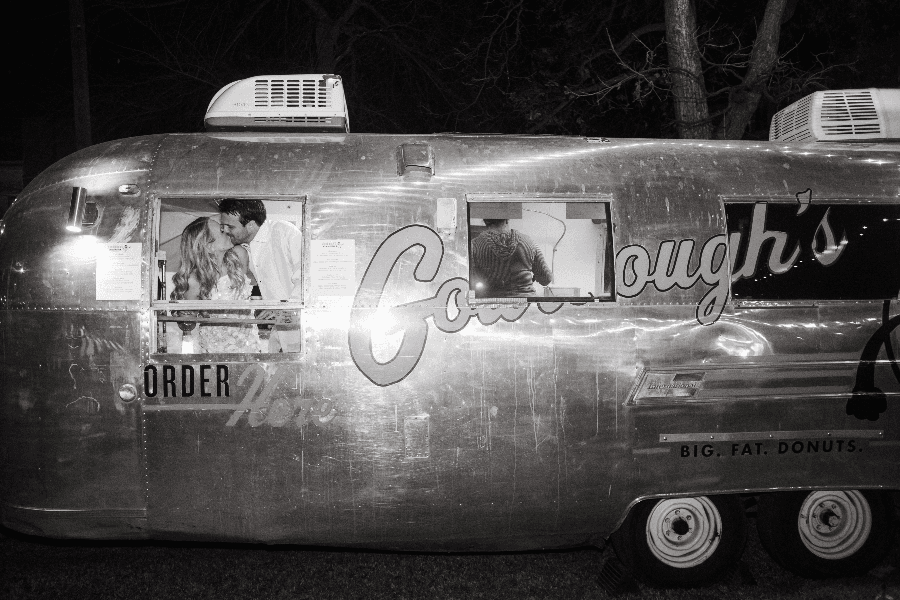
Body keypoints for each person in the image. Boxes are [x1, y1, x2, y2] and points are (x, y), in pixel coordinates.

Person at [218, 198, 303, 352]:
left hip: (302, 327)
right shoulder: (242, 247)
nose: (225, 231)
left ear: (250, 224)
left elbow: (305, 278)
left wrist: (285, 310)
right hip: (279, 330)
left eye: (230, 226)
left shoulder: (283, 232)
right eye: (222, 226)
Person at [170, 217, 260, 353]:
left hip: (251, 347)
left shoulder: (239, 256)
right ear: (209, 245)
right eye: (222, 231)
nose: (228, 231)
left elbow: (262, 283)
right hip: (215, 354)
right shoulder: (194, 280)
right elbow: (186, 324)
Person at [471, 219, 552, 297]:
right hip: (525, 304)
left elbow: (471, 281)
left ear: (485, 221)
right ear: (507, 219)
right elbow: (546, 278)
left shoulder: (475, 245)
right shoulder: (528, 241)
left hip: (492, 306)